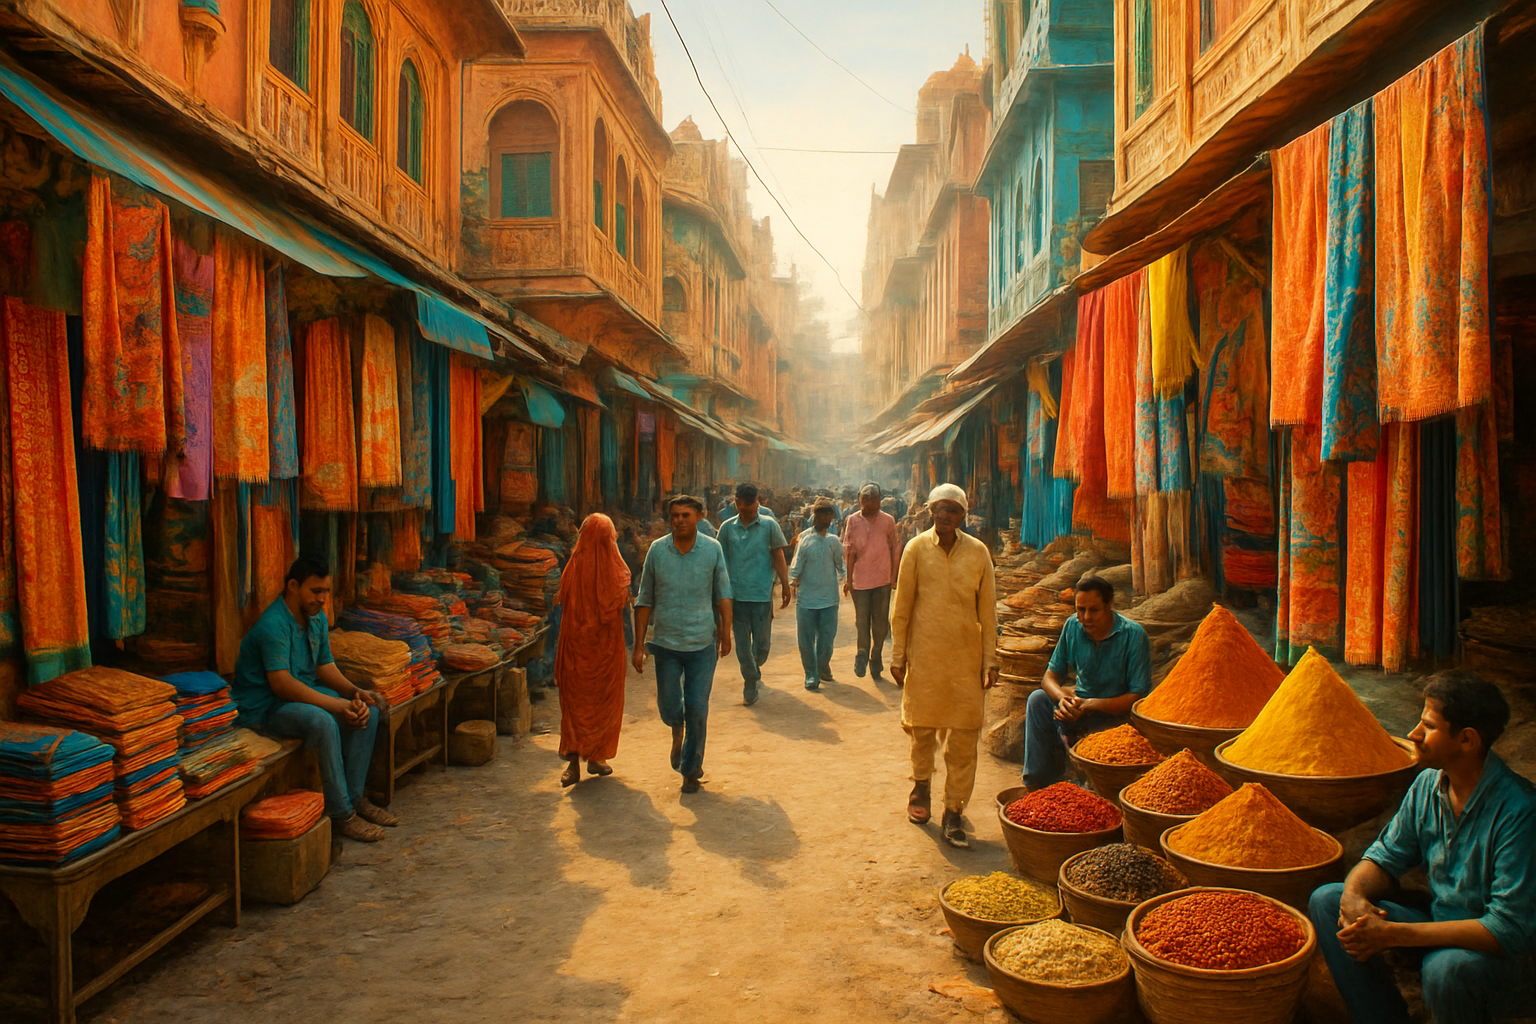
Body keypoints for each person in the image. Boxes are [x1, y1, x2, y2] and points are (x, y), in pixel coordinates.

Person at [1309, 672, 1536, 1024]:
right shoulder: (1429, 783)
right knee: (1327, 900)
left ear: (1467, 740)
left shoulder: (1520, 811)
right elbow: (1385, 857)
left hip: (1501, 959)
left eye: (1428, 726)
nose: (1414, 734)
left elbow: (1507, 929)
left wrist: (1393, 934)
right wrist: (1354, 897)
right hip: (1437, 925)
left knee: (1446, 969)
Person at [231, 557, 394, 843]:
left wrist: (355, 694)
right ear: (293, 586)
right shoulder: (273, 624)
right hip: (266, 707)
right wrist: (339, 706)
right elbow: (282, 685)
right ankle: (342, 814)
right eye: (315, 591)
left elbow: (324, 667)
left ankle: (356, 798)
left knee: (369, 710)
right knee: (324, 721)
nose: (322, 598)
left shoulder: (316, 618)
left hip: (301, 695)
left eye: (326, 591)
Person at [889, 483, 999, 849]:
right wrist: (898, 655)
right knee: (921, 730)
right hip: (925, 658)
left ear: (963, 515)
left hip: (966, 662)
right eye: (941, 509)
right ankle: (921, 788)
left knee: (964, 739)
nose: (946, 516)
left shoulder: (979, 553)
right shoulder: (915, 549)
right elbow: (902, 606)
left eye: (954, 510)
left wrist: (990, 661)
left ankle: (954, 810)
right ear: (931, 511)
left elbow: (988, 611)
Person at [632, 495, 733, 794]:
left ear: (700, 516)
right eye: (675, 515)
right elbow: (644, 599)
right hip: (665, 644)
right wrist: (639, 646)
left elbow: (723, 593)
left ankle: (691, 769)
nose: (679, 520)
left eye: (686, 515)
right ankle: (677, 728)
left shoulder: (712, 549)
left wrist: (725, 632)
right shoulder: (657, 550)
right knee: (669, 707)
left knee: (698, 707)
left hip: (702, 643)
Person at [1022, 575, 1150, 790]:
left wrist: (1091, 705)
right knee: (1038, 699)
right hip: (1078, 706)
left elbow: (1137, 696)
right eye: (1080, 609)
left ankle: (1088, 783)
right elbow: (1049, 678)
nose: (1086, 617)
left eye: (1094, 610)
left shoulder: (1134, 636)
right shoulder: (1072, 625)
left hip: (1114, 715)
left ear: (1109, 604)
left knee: (1094, 787)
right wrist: (1064, 700)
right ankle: (1037, 782)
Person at [553, 513, 632, 788]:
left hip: (598, 651)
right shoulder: (581, 569)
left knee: (587, 706)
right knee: (582, 706)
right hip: (581, 650)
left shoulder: (579, 568)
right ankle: (576, 761)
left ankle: (595, 757)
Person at [717, 482, 790, 705]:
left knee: (762, 646)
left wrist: (785, 584)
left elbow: (778, 555)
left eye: (753, 504)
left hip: (761, 595)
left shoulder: (769, 525)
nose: (749, 509)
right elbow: (719, 561)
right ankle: (749, 680)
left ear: (757, 502)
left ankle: (755, 666)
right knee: (742, 644)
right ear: (737, 503)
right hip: (736, 597)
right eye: (744, 505)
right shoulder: (727, 528)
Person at [843, 482, 902, 680]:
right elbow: (849, 550)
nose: (868, 503)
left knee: (880, 624)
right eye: (865, 498)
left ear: (880, 499)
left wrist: (894, 576)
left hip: (882, 579)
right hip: (860, 580)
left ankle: (875, 655)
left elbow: (894, 548)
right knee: (861, 621)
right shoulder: (852, 520)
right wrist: (848, 578)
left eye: (873, 498)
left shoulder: (888, 520)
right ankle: (861, 653)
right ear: (859, 499)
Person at [790, 499, 845, 691]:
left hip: (829, 599)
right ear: (814, 517)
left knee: (826, 640)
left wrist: (848, 582)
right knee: (805, 640)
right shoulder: (804, 540)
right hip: (806, 599)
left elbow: (841, 564)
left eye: (826, 515)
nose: (822, 518)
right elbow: (796, 566)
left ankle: (822, 666)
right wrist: (793, 581)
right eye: (819, 515)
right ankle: (811, 675)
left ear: (831, 518)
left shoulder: (834, 541)